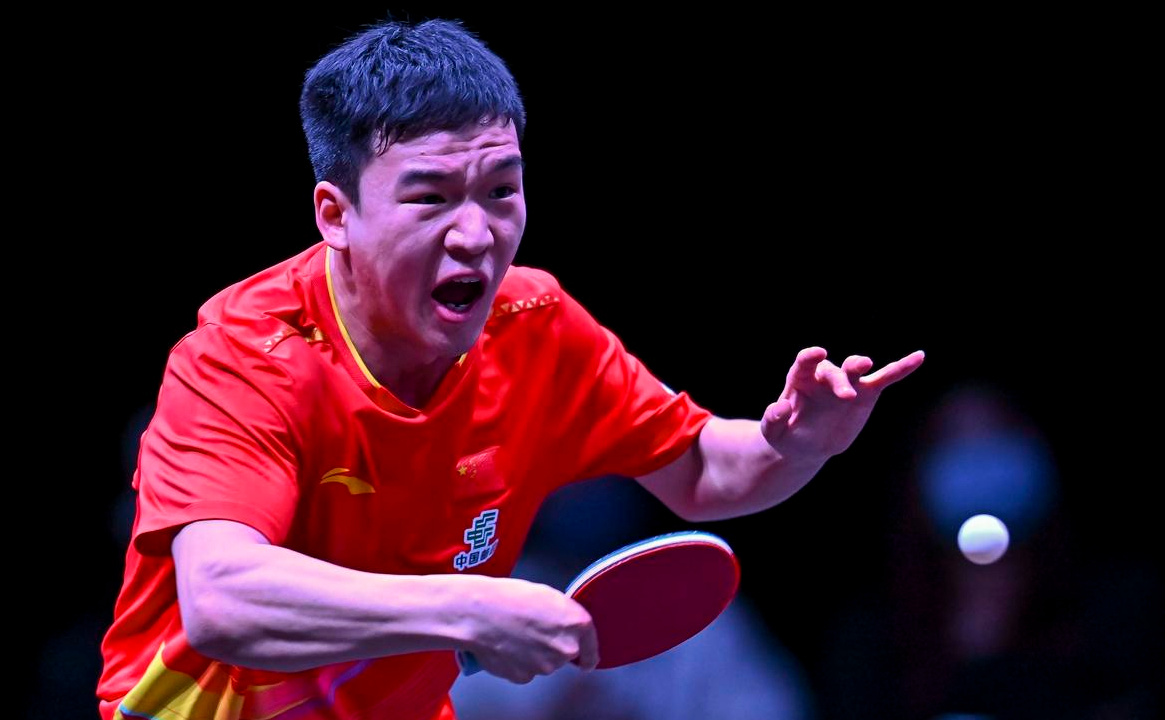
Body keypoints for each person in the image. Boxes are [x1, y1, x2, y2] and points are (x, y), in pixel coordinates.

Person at [96, 18, 923, 720]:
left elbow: (704, 471)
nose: (476, 234)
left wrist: (797, 444)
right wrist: (468, 607)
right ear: (335, 214)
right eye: (429, 198)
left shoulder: (534, 326)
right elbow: (224, 601)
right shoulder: (245, 356)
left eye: (501, 189)